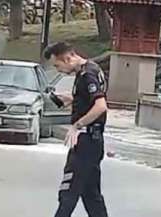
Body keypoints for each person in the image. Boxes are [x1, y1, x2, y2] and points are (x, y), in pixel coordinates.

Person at [44, 42, 109, 217]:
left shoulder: (87, 75)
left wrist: (77, 125)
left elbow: (101, 106)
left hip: (85, 141)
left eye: (58, 65)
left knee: (68, 191)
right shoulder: (89, 70)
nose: (58, 70)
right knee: (91, 195)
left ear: (67, 58)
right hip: (94, 142)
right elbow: (87, 97)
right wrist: (69, 98)